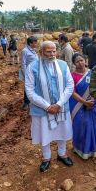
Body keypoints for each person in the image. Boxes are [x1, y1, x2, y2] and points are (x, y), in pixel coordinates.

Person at [25, 41, 74, 172]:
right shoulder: (33, 67)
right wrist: (47, 106)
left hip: (61, 107)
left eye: (54, 51)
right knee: (44, 134)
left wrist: (58, 104)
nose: (52, 54)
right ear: (41, 52)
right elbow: (29, 91)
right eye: (48, 51)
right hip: (42, 109)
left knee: (62, 131)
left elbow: (70, 86)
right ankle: (46, 158)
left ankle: (62, 154)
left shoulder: (63, 65)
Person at [69, 53, 96, 159]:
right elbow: (72, 92)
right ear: (74, 63)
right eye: (77, 61)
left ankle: (94, 149)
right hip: (78, 105)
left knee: (93, 125)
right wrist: (85, 102)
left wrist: (91, 102)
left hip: (93, 103)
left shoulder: (92, 73)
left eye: (81, 60)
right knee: (81, 126)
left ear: (85, 60)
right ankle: (80, 149)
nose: (80, 63)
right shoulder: (72, 76)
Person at [21, 36, 39, 110]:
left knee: (34, 86)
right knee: (27, 87)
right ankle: (26, 103)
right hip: (28, 73)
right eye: (35, 42)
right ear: (30, 43)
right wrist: (25, 74)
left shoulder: (33, 50)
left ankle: (33, 101)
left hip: (35, 72)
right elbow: (23, 63)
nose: (36, 44)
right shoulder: (25, 51)